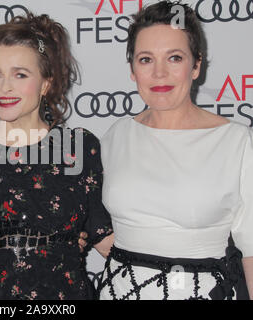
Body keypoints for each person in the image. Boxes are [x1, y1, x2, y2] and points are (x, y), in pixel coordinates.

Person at [0, 12, 113, 300]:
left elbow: (104, 237)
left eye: (20, 74)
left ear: (46, 83)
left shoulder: (79, 148)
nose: (5, 87)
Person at [99, 0, 253, 300]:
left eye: (174, 58)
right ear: (132, 69)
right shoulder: (117, 135)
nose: (159, 73)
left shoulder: (236, 141)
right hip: (119, 292)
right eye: (146, 59)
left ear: (196, 65)